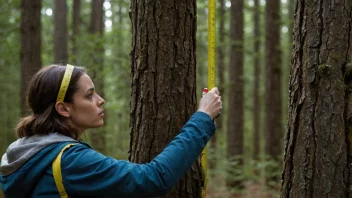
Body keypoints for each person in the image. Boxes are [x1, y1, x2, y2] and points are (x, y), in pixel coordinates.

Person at [0, 64, 222, 198]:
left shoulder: (21, 156)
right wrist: (202, 118)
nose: (100, 100)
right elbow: (154, 179)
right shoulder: (70, 161)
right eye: (89, 95)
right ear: (63, 108)